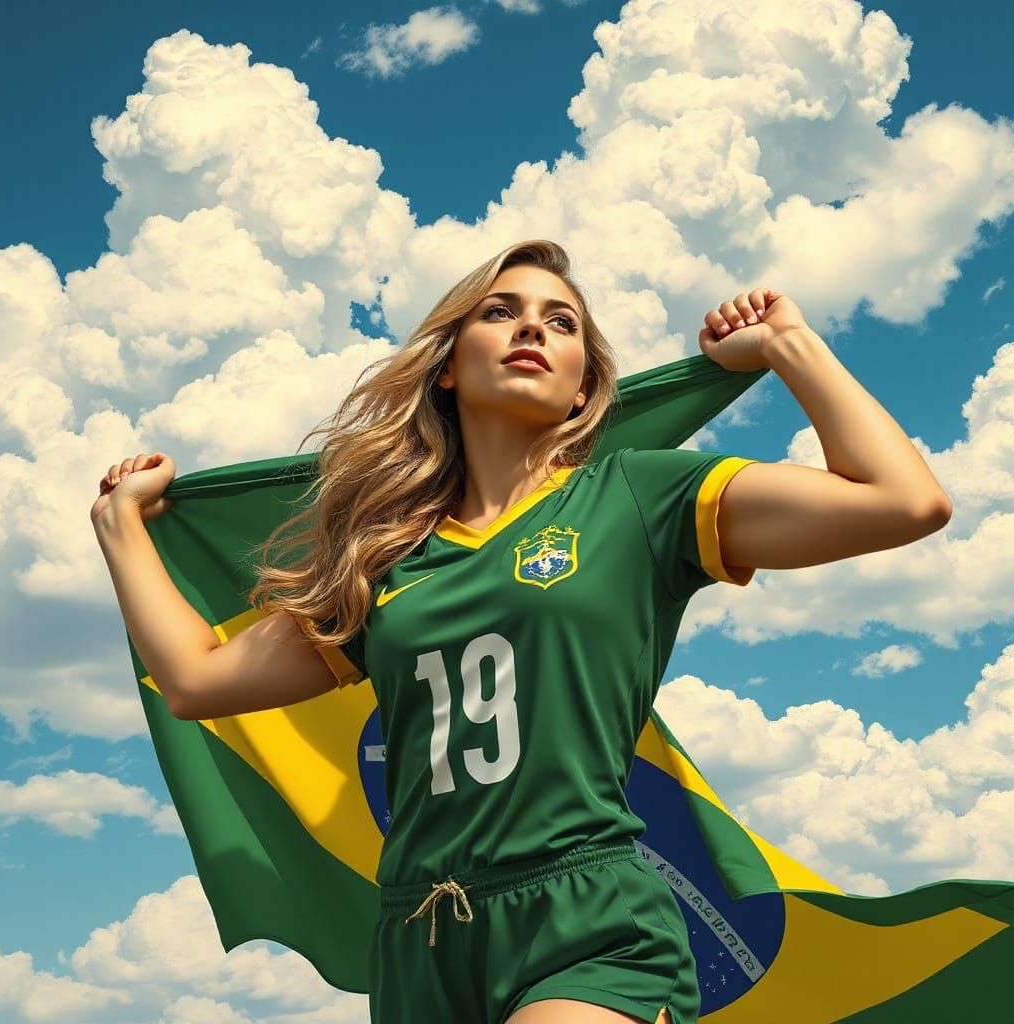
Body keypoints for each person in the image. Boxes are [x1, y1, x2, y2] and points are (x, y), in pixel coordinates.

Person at [91, 239, 952, 1024]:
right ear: (447, 371)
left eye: (561, 321)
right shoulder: (387, 563)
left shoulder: (639, 497)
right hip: (420, 941)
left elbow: (903, 502)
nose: (530, 328)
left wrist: (783, 345)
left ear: (584, 385)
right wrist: (120, 526)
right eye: (499, 312)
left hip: (587, 919)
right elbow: (198, 682)